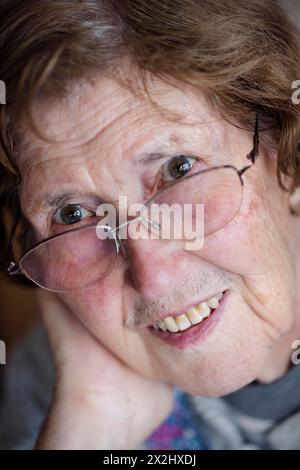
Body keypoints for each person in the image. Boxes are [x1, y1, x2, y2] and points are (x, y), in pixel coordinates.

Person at [1, 0, 300, 450]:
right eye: (73, 215)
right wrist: (94, 419)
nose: (153, 279)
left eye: (178, 169)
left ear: (289, 160)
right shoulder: (53, 383)